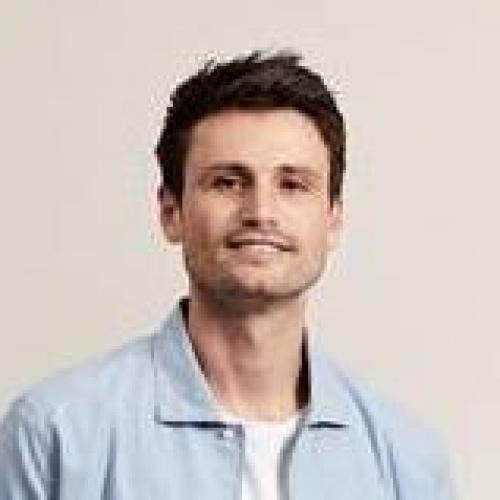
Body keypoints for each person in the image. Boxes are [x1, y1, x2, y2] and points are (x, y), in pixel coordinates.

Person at [0, 51, 455, 500]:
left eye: (292, 184)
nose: (260, 212)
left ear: (333, 219)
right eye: (227, 182)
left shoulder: (406, 461)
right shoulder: (54, 436)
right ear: (171, 212)